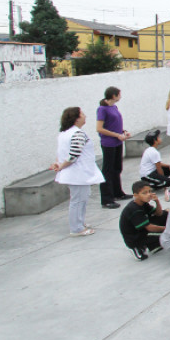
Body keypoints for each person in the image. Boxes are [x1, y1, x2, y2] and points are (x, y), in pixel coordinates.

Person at [50, 107, 104, 235]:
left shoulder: (64, 133)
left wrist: (59, 164)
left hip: (75, 173)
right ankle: (77, 228)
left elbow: (61, 152)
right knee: (78, 201)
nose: (85, 116)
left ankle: (79, 222)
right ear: (76, 118)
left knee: (81, 199)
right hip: (78, 174)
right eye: (83, 114)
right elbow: (73, 155)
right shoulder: (77, 134)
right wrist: (61, 166)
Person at [96, 87, 131, 208]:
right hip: (109, 143)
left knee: (117, 168)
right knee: (108, 170)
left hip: (117, 142)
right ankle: (106, 199)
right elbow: (99, 128)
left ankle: (118, 193)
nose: (120, 96)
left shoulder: (114, 107)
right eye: (119, 94)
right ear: (113, 96)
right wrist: (117, 135)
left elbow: (114, 124)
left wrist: (123, 132)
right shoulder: (102, 109)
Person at [118, 180, 168, 261]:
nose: (149, 194)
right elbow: (149, 228)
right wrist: (167, 229)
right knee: (166, 235)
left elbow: (159, 214)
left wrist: (157, 201)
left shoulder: (143, 203)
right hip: (134, 237)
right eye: (144, 193)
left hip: (141, 230)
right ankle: (136, 247)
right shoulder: (134, 209)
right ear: (136, 195)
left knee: (165, 214)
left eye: (150, 191)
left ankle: (153, 245)